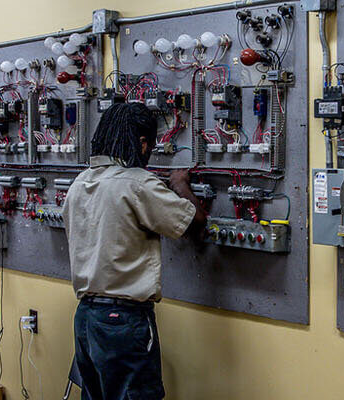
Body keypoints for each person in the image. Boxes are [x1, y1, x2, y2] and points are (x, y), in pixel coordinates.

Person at [64, 102, 207, 400]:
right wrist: (180, 185)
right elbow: (193, 223)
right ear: (142, 143)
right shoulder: (136, 183)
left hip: (86, 317)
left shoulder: (80, 183)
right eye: (150, 146)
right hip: (123, 320)